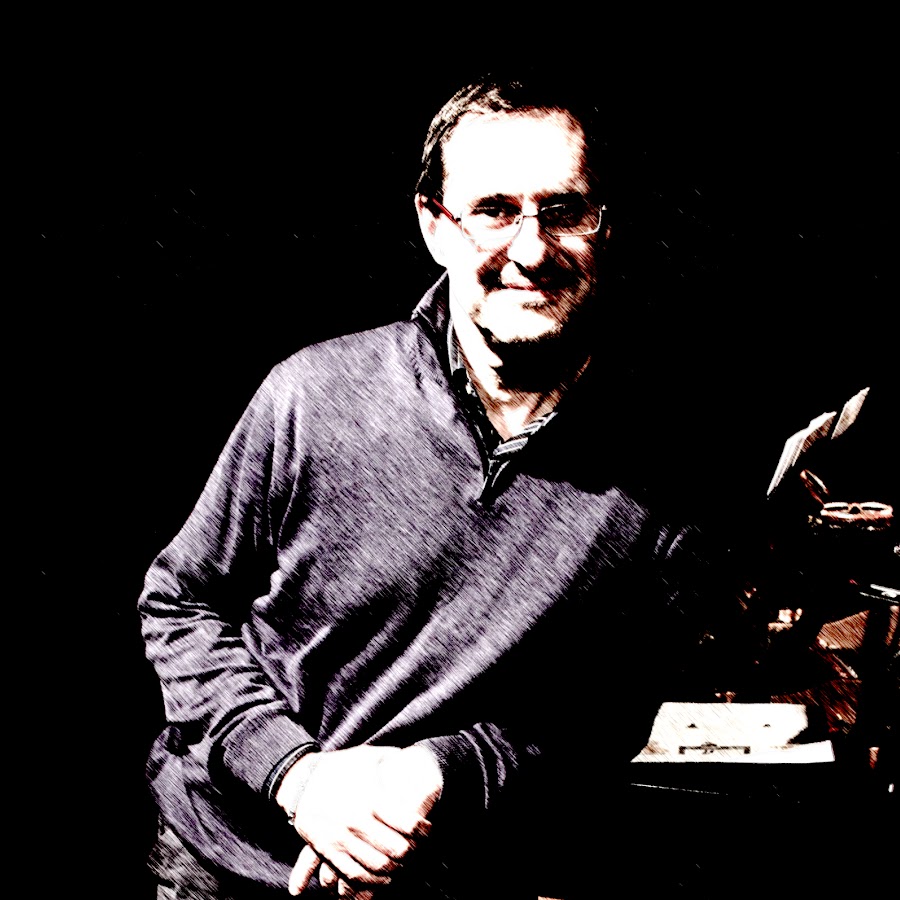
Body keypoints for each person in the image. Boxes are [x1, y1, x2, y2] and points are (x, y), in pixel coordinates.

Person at [138, 74, 760, 900]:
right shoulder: (313, 395)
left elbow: (608, 709)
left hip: (445, 876)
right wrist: (298, 778)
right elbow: (180, 604)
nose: (531, 250)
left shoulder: (669, 474)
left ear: (604, 225)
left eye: (563, 210)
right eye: (494, 211)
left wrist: (437, 771)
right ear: (435, 225)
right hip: (232, 864)